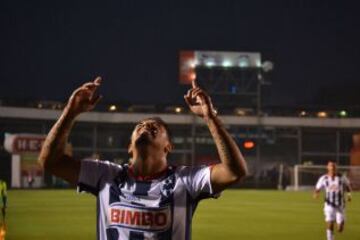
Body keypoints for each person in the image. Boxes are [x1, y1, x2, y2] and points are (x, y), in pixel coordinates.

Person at [38, 77, 248, 240]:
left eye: (155, 127)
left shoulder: (185, 180)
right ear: (130, 147)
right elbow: (50, 161)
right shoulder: (105, 175)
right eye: (139, 126)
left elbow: (235, 171)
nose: (145, 126)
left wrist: (210, 118)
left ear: (168, 147)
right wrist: (70, 112)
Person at [313, 161, 352, 240]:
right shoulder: (324, 178)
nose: (332, 168)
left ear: (336, 168)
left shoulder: (341, 177)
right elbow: (317, 188)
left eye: (334, 166)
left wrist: (349, 195)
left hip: (340, 205)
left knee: (340, 228)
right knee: (330, 223)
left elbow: (348, 186)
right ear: (327, 168)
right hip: (329, 204)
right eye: (330, 166)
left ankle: (340, 223)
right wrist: (316, 194)